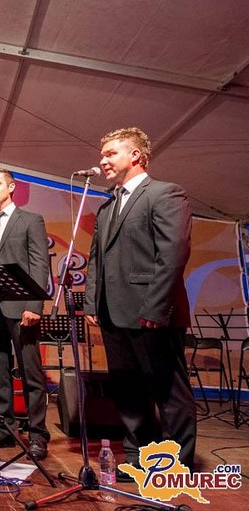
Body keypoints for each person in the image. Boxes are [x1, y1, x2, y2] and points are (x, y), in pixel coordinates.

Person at [84, 127, 196, 474]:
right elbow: (96, 260)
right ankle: (139, 457)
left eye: (110, 153)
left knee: (168, 391)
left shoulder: (164, 193)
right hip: (112, 313)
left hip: (152, 312)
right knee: (129, 391)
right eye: (102, 155)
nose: (103, 160)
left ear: (136, 155)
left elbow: (173, 255)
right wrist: (92, 303)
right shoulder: (107, 207)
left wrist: (156, 307)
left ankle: (175, 465)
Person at [0, 168, 51, 460]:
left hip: (22, 308)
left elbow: (39, 264)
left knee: (30, 372)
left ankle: (38, 434)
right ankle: (4, 429)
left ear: (12, 187)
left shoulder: (30, 220)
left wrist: (34, 305)